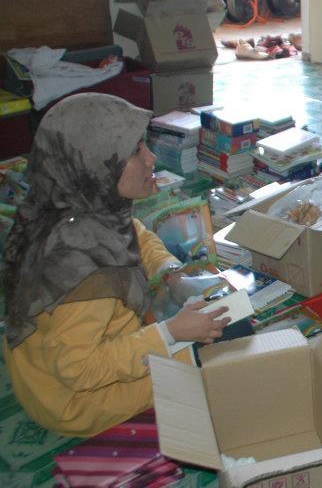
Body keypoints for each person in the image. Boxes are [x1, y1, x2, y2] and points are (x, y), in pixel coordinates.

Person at [2, 93, 230, 438]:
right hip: (76, 399)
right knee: (222, 341)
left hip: (40, 373)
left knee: (201, 326)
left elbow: (135, 233)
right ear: (97, 163)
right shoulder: (87, 271)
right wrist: (170, 334)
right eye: (136, 151)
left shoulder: (73, 203)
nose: (151, 158)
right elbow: (80, 370)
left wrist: (169, 272)